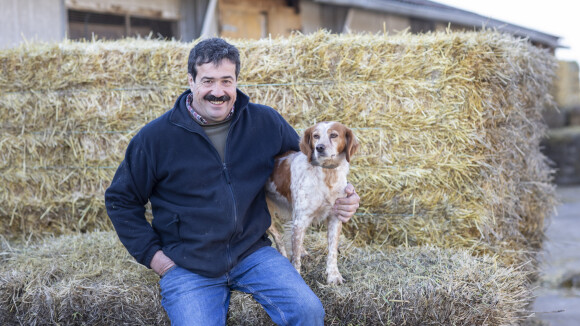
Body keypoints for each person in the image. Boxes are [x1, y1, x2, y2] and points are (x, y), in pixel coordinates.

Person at [105, 37, 360, 325]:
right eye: (208, 81)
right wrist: (156, 258)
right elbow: (120, 200)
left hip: (253, 254)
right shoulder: (154, 139)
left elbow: (308, 162)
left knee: (308, 311)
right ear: (191, 81)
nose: (218, 91)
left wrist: (345, 194)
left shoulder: (264, 122)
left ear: (236, 81)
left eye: (227, 81)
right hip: (189, 265)